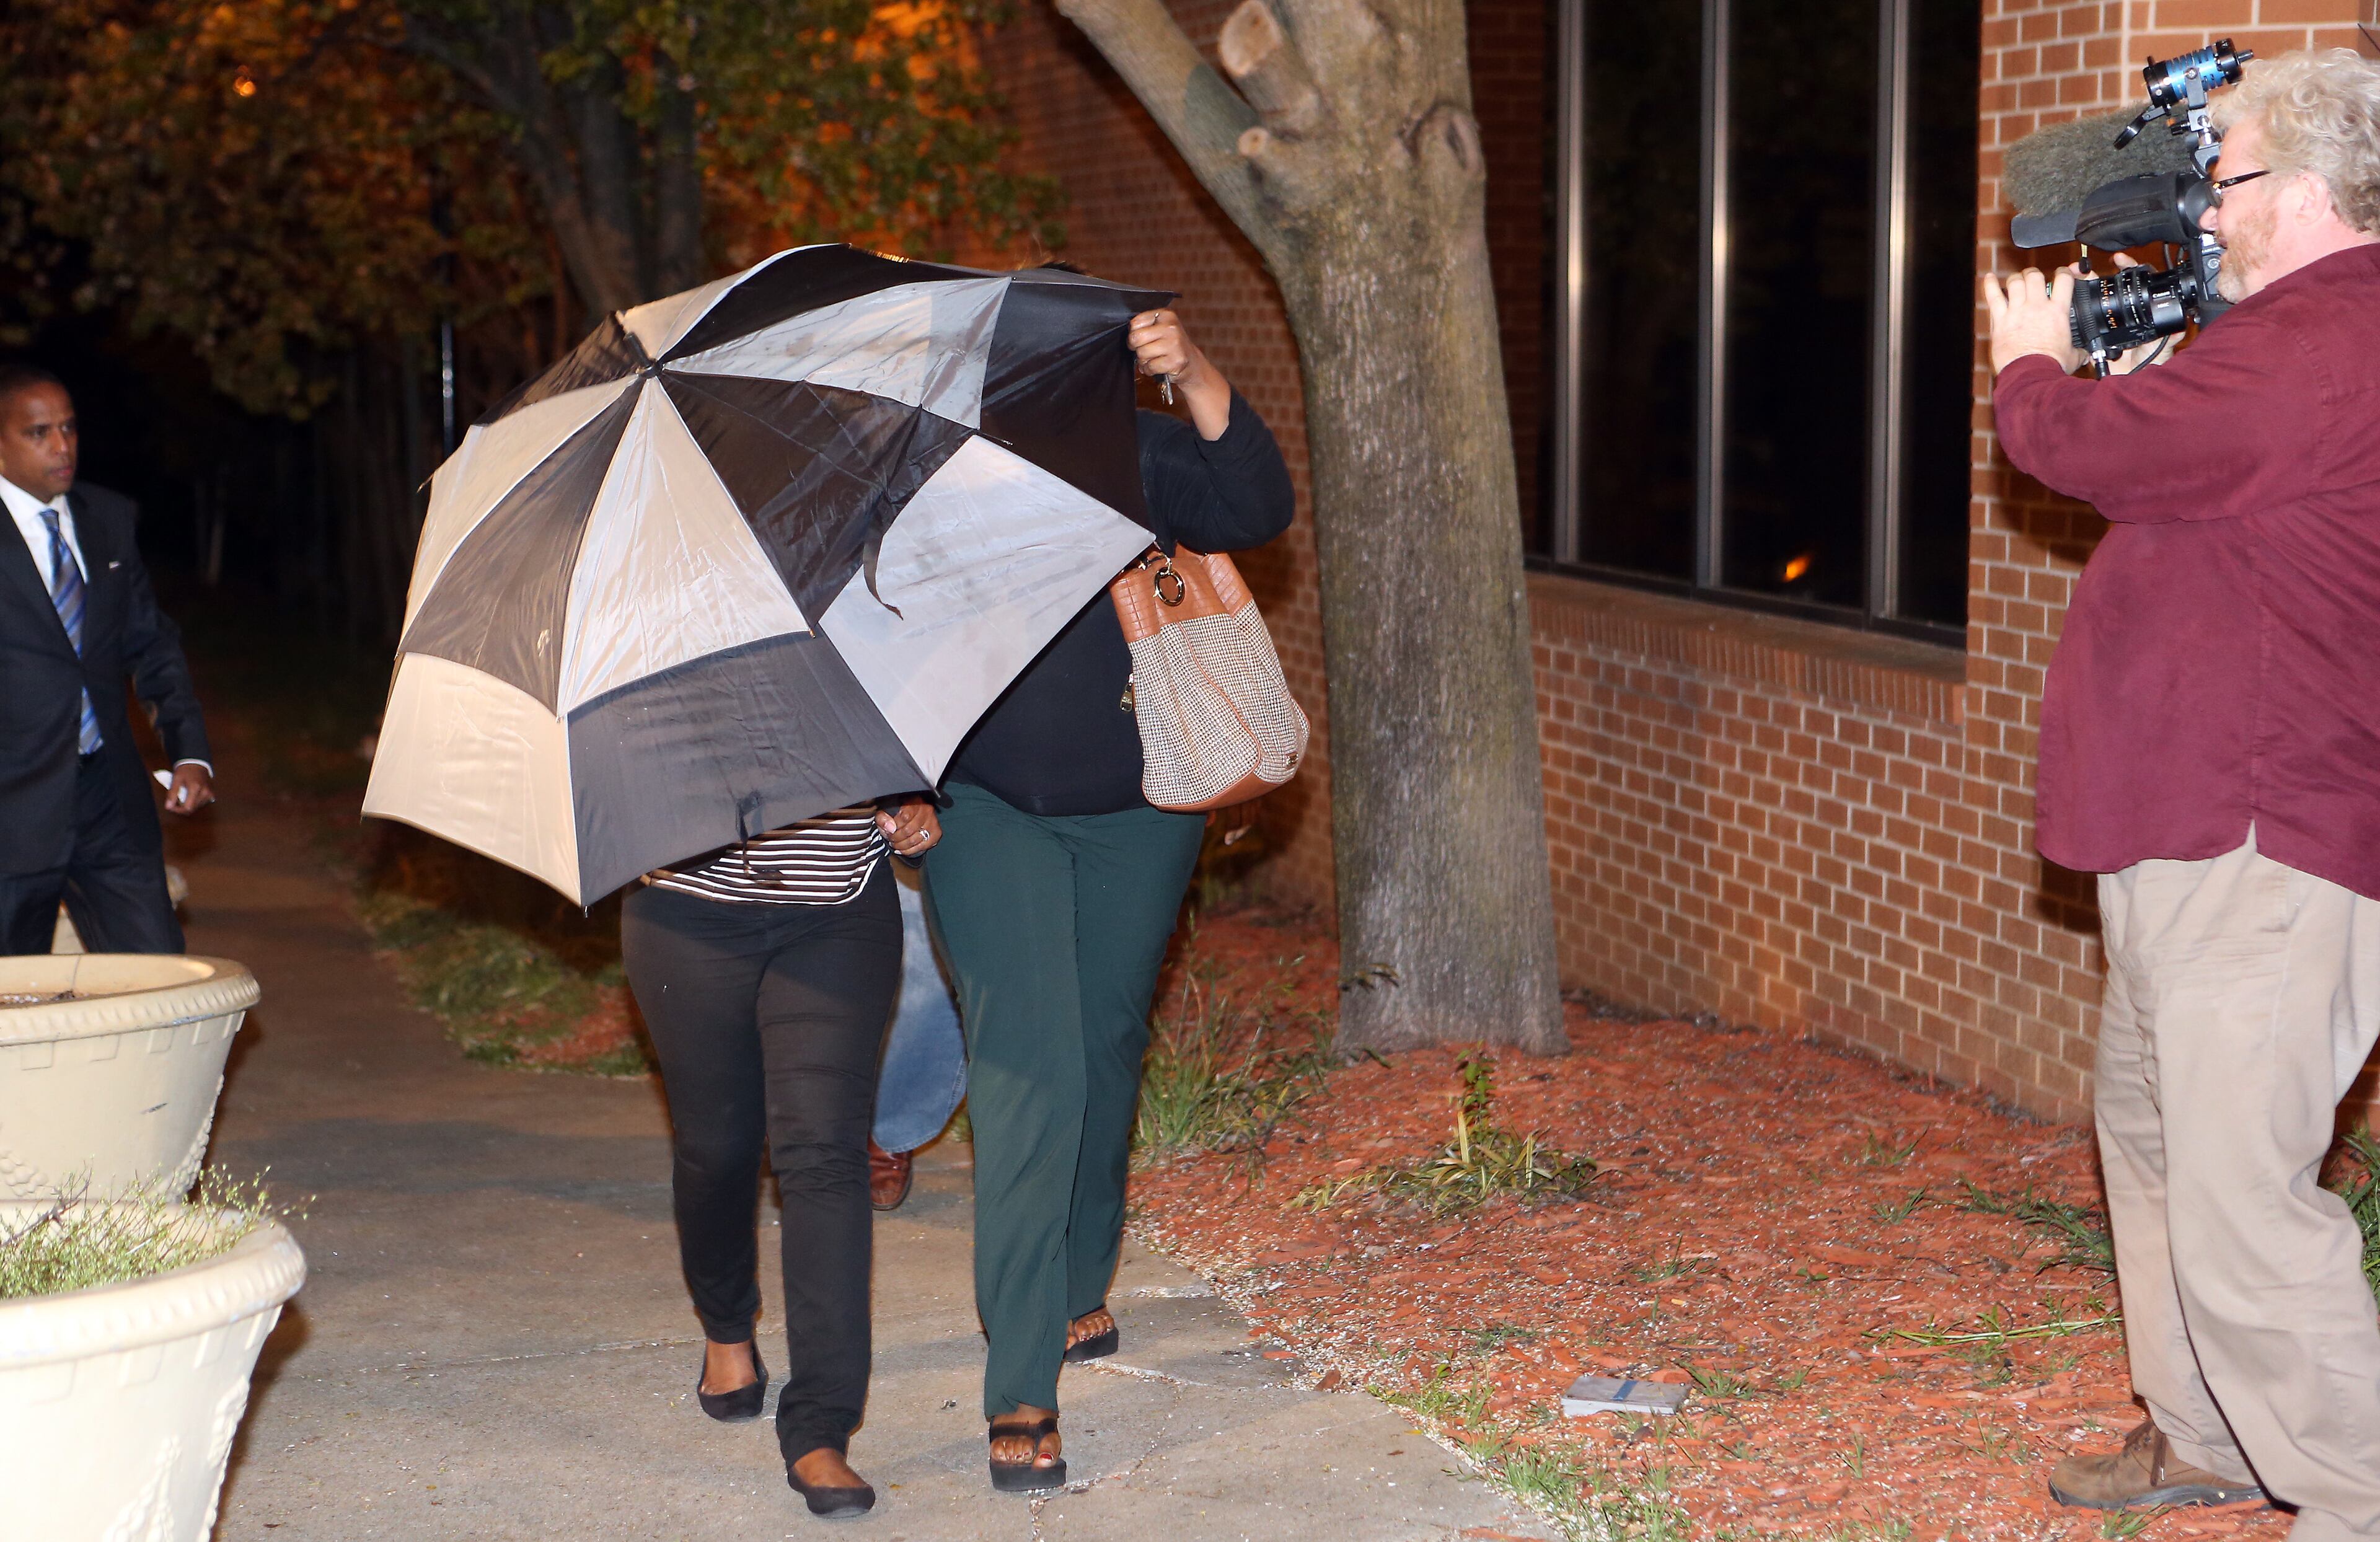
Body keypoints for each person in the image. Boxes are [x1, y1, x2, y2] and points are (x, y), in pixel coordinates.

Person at [1983, 49, 2380, 1533]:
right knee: (2152, 1151)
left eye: (2223, 181)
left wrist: (2030, 362)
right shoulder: (2280, 343)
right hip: (2184, 829)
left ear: (2314, 190)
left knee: (2239, 1200)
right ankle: (2205, 1430)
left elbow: (2090, 446)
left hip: (2260, 842)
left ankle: (2352, 1492)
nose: (2205, 217)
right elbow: (2184, 480)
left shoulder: (2330, 336)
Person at [923, 303, 1295, 1492]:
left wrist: (1196, 371)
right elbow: (869, 638)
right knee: (1027, 1061)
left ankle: (1081, 1278)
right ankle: (1021, 1378)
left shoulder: (1139, 453)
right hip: (984, 805)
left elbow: (1257, 508)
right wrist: (892, 782)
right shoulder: (931, 475)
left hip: (1145, 806)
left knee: (1105, 1038)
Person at [618, 795, 940, 1519]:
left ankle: (820, 1425)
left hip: (838, 909)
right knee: (717, 1147)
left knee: (824, 1153)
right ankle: (727, 1326)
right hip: (686, 910)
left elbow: (903, 730)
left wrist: (915, 806)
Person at [0, 364, 214, 955]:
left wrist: (189, 751)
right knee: (13, 1011)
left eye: (68, 429)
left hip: (108, 801)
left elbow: (149, 644)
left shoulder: (108, 520)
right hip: (12, 815)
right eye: (38, 433)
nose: (62, 446)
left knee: (158, 984)